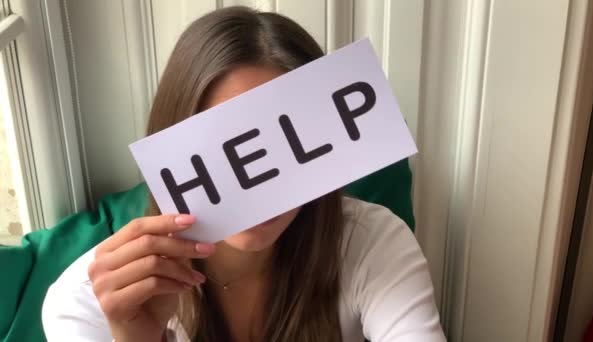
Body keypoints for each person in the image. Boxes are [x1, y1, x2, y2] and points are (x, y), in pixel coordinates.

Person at [42, 6, 445, 342]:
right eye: (229, 149)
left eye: (290, 143)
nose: (262, 182)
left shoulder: (373, 242)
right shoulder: (84, 301)